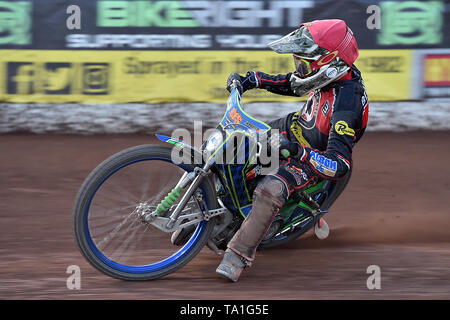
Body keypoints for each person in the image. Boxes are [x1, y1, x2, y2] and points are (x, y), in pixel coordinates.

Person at [215, 19, 369, 282]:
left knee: (270, 189)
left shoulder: (347, 104)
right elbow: (293, 83)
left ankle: (238, 255)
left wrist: (299, 152)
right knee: (230, 144)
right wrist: (251, 80)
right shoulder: (331, 72)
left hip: (311, 157)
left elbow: (340, 164)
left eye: (305, 62)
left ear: (329, 63)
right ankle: (222, 205)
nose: (299, 67)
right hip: (294, 128)